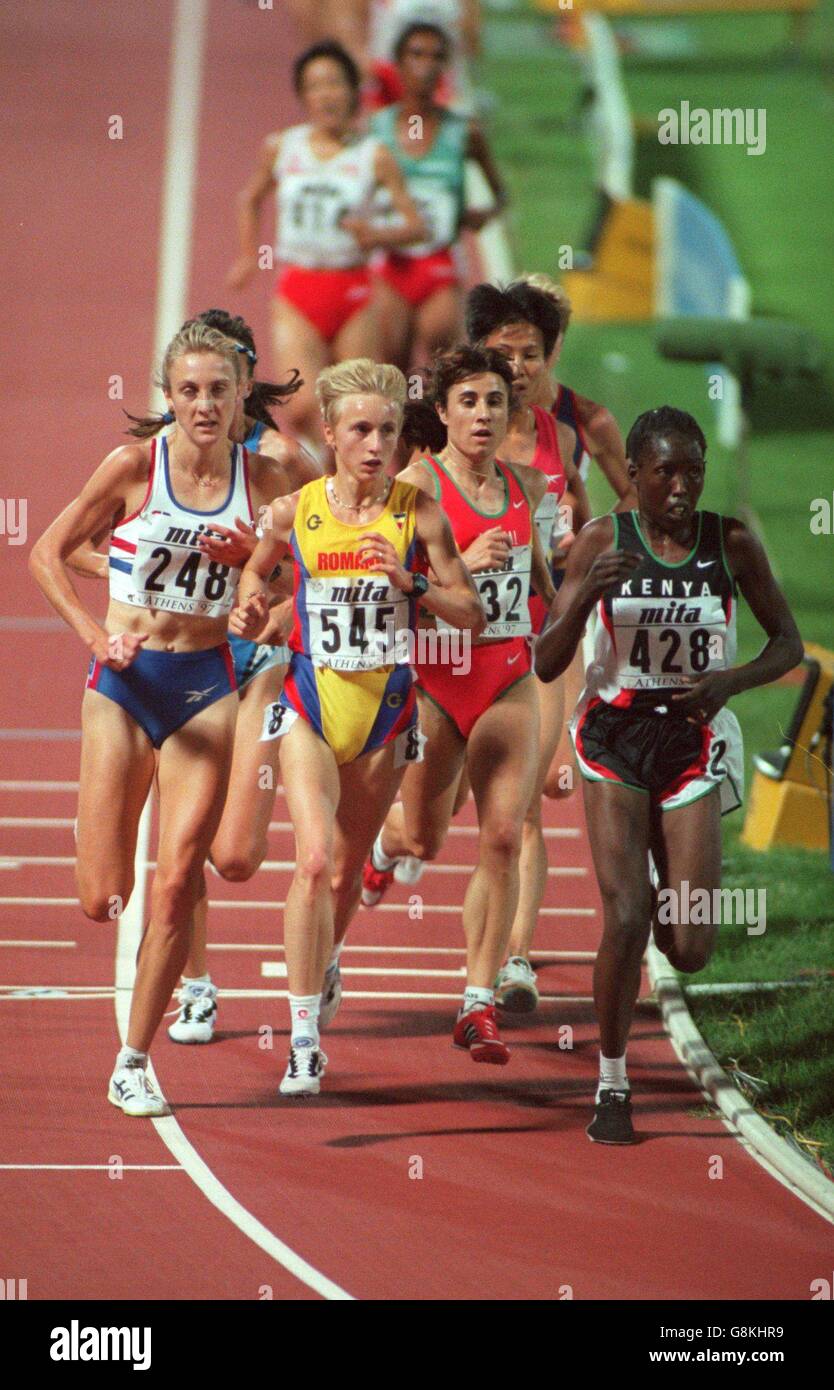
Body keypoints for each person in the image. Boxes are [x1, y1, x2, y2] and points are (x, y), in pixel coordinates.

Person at [29, 322, 298, 1115]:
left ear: (243, 390)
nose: (205, 404)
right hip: (122, 686)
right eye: (188, 390)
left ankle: (134, 1058)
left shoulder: (275, 479)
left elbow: (323, 574)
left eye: (219, 389)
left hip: (205, 689)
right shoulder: (132, 467)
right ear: (169, 396)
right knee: (100, 897)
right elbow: (48, 551)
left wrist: (262, 595)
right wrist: (94, 634)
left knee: (180, 879)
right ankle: (133, 929)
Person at [535, 406, 803, 1143]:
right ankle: (612, 1081)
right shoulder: (603, 541)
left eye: (694, 471)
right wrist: (587, 591)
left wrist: (730, 682)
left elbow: (789, 644)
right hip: (615, 737)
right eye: (666, 473)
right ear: (636, 476)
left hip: (690, 739)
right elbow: (547, 660)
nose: (682, 487)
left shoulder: (731, 543)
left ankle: (650, 918)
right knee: (625, 915)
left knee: (688, 944)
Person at [231, 358, 484, 1095]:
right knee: (311, 862)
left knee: (345, 871)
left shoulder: (418, 514)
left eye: (390, 432)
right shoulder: (295, 511)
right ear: (335, 435)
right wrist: (249, 609)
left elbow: (471, 614)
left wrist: (412, 583)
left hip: (386, 715)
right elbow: (256, 575)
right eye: (362, 430)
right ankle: (304, 1039)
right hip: (311, 704)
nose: (377, 444)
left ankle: (327, 953)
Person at [361, 346, 555, 1064]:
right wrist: (453, 574)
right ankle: (385, 849)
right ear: (441, 412)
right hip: (438, 682)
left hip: (508, 677)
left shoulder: (528, 487)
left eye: (495, 401)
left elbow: (541, 586)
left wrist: (570, 634)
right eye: (468, 401)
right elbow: (372, 582)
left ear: (511, 411)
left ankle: (477, 1004)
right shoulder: (412, 484)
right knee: (425, 839)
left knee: (504, 834)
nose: (482, 414)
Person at [465, 280, 591, 1011]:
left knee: (530, 805)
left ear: (547, 360)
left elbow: (577, 510)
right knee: (425, 820)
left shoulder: (558, 436)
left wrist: (574, 533)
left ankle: (513, 960)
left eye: (529, 355)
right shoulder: (442, 433)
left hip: (530, 637)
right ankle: (391, 850)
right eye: (501, 354)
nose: (514, 368)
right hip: (452, 646)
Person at [227, 40, 425, 454]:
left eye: (336, 83)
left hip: (353, 291)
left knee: (357, 407)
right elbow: (250, 197)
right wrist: (248, 255)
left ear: (354, 91)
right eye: (315, 86)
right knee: (301, 409)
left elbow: (415, 225)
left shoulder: (374, 154)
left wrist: (375, 234)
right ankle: (329, 477)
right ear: (303, 96)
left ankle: (344, 493)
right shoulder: (282, 147)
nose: (327, 95)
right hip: (299, 289)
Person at [369, 22, 507, 370]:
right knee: (392, 367)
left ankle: (438, 423)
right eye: (416, 54)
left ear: (446, 68)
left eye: (437, 57)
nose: (426, 65)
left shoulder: (463, 132)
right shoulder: (376, 130)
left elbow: (501, 194)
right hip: (391, 263)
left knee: (443, 361)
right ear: (397, 64)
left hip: (440, 262)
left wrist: (482, 215)